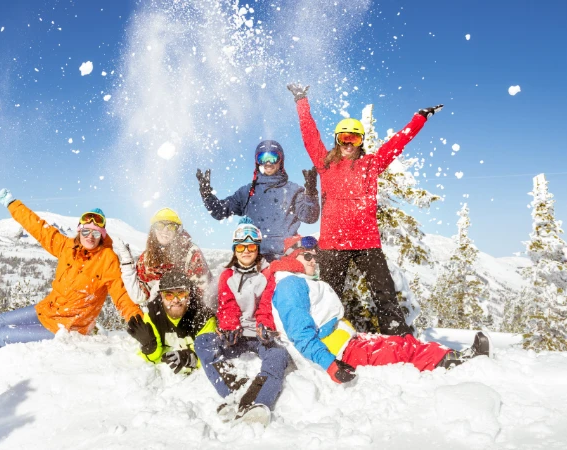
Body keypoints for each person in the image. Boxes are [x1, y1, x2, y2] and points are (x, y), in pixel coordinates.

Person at [287, 83, 444, 335]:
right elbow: (309, 135)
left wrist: (419, 118)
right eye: (344, 138)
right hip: (333, 244)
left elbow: (397, 143)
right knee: (329, 296)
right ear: (337, 141)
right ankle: (327, 338)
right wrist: (301, 101)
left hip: (366, 243)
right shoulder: (325, 164)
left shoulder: (371, 165)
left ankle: (397, 336)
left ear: (361, 142)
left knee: (385, 294)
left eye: (354, 138)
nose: (349, 144)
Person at [0, 188, 143, 355]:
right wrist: (12, 203)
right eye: (86, 231)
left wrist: (138, 322)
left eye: (96, 233)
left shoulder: (108, 259)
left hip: (67, 326)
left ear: (103, 235)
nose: (90, 237)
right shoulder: (67, 246)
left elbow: (122, 296)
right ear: (79, 230)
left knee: (1, 336)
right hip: (46, 309)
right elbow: (37, 227)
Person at [264, 235, 491, 385]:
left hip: (348, 343)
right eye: (307, 256)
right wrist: (331, 365)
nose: (314, 260)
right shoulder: (290, 285)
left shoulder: (301, 280)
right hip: (338, 352)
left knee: (402, 342)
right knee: (401, 351)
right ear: (291, 257)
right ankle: (454, 363)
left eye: (316, 256)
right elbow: (300, 334)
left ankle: (448, 355)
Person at [194, 218, 290, 425]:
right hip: (237, 334)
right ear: (234, 250)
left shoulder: (268, 273)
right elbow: (227, 305)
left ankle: (259, 402)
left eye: (250, 247)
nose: (245, 251)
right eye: (240, 247)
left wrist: (264, 325)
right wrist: (229, 327)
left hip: (260, 334)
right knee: (203, 343)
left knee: (279, 355)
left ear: (257, 248)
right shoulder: (227, 275)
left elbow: (266, 303)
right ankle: (235, 393)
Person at [195, 140, 320, 261]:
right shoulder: (247, 193)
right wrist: (207, 195)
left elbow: (310, 217)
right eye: (262, 158)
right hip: (255, 257)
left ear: (281, 160)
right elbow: (219, 211)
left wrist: (310, 193)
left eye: (273, 157)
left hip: (287, 256)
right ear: (257, 162)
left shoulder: (293, 190)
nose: (268, 163)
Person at [117, 208, 213, 310]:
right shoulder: (147, 257)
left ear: (177, 230)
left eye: (171, 226)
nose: (165, 230)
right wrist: (127, 262)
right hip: (159, 315)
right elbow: (139, 296)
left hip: (187, 312)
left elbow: (204, 293)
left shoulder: (191, 254)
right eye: (160, 225)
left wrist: (166, 289)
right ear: (153, 230)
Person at [126, 270, 216, 375]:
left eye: (181, 294)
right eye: (169, 295)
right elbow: (151, 361)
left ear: (189, 295)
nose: (175, 300)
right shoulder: (153, 315)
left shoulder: (203, 316)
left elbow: (211, 357)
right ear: (161, 297)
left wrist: (190, 358)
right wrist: (149, 347)